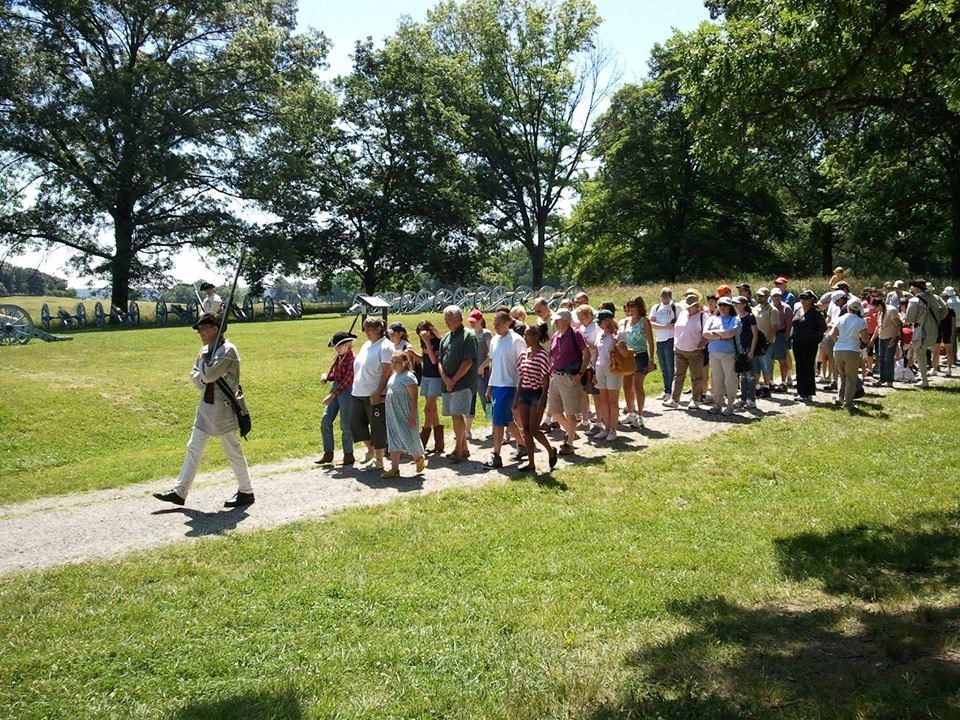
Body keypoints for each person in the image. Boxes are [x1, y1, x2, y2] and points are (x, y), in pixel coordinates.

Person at [154, 313, 254, 507]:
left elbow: (209, 375)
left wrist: (203, 369)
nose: (199, 332)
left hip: (223, 410)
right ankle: (180, 492)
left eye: (203, 328)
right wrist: (203, 369)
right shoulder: (206, 350)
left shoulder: (227, 351)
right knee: (194, 448)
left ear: (215, 329)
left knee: (233, 451)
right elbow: (195, 376)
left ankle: (246, 491)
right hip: (205, 408)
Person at [483, 311, 527, 468]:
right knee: (505, 418)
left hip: (509, 385)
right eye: (494, 325)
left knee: (498, 421)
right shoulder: (494, 340)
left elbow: (523, 366)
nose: (496, 327)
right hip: (496, 385)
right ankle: (523, 446)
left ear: (508, 323)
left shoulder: (517, 340)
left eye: (499, 324)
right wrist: (489, 386)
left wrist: (520, 388)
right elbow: (493, 363)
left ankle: (496, 454)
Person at [514, 324, 558, 472]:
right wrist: (517, 396)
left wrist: (542, 399)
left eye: (527, 335)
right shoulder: (524, 354)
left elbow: (546, 379)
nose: (525, 338)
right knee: (525, 429)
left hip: (537, 393)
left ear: (536, 337)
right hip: (524, 393)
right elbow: (522, 377)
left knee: (534, 429)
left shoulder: (542, 355)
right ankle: (531, 463)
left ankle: (550, 450)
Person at [350, 317, 393, 470]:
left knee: (377, 426)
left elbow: (388, 370)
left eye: (369, 329)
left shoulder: (386, 347)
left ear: (379, 329)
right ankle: (370, 450)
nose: (366, 332)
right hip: (358, 391)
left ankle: (380, 459)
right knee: (355, 423)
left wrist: (379, 391)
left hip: (374, 393)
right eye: (365, 329)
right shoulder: (366, 345)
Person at [546, 308, 589, 455]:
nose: (555, 323)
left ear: (566, 320)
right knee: (554, 411)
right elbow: (552, 355)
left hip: (569, 376)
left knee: (570, 412)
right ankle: (571, 432)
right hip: (556, 377)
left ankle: (569, 442)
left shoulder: (576, 334)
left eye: (558, 320)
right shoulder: (556, 335)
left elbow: (586, 354)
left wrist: (580, 373)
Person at [439, 305, 478, 462]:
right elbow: (440, 360)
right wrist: (445, 379)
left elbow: (468, 361)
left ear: (459, 319)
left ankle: (458, 449)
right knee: (455, 415)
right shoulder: (446, 337)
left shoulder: (468, 336)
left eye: (450, 320)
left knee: (456, 414)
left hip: (463, 384)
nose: (447, 323)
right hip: (448, 384)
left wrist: (453, 380)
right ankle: (464, 448)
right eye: (446, 320)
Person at [383, 352, 426, 479]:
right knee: (393, 438)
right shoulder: (393, 376)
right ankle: (394, 469)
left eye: (396, 362)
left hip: (404, 412)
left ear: (405, 363)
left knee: (407, 436)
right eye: (392, 361)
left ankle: (418, 458)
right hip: (392, 412)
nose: (393, 365)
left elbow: (414, 398)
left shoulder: (409, 377)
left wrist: (412, 416)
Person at [318, 331, 357, 466]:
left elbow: (347, 380)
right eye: (336, 347)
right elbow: (337, 375)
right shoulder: (339, 358)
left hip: (346, 391)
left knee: (345, 424)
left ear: (348, 345)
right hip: (336, 388)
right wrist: (327, 378)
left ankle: (348, 454)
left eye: (340, 346)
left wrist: (332, 394)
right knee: (325, 420)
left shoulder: (352, 359)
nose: (338, 349)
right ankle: (328, 453)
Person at [666, 291, 708, 409]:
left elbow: (707, 332)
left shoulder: (703, 316)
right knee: (678, 375)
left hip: (695, 351)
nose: (688, 309)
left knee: (696, 377)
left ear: (697, 306)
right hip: (679, 350)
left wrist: (702, 343)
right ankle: (674, 400)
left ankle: (695, 400)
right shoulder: (683, 314)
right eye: (688, 307)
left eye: (691, 307)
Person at [619, 295, 656, 428]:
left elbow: (651, 341)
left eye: (632, 305)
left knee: (638, 386)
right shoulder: (626, 321)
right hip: (628, 356)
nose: (630, 308)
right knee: (627, 386)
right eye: (628, 305)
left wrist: (651, 359)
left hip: (640, 355)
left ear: (639, 306)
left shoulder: (644, 321)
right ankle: (630, 413)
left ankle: (640, 415)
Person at [702, 297, 741, 415]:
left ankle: (730, 405)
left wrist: (715, 333)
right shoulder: (712, 318)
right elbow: (705, 333)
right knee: (717, 380)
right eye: (721, 305)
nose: (723, 308)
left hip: (729, 354)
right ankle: (718, 404)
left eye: (726, 305)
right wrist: (721, 335)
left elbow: (730, 333)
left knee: (730, 380)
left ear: (730, 307)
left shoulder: (735, 319)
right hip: (714, 354)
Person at [829, 298, 870, 408]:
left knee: (841, 375)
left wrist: (839, 341)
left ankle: (839, 397)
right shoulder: (861, 321)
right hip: (852, 349)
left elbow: (832, 335)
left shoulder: (840, 319)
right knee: (851, 377)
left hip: (838, 349)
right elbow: (865, 339)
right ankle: (848, 403)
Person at [591, 308, 622, 441]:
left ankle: (613, 429)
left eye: (600, 322)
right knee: (603, 399)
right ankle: (606, 428)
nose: (598, 324)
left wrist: (618, 343)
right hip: (600, 368)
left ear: (607, 321)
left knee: (613, 400)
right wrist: (593, 370)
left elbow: (625, 354)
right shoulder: (600, 334)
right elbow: (597, 353)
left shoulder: (618, 334)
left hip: (613, 369)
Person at [414, 320, 445, 454]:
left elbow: (433, 360)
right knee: (433, 410)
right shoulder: (423, 341)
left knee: (428, 409)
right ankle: (439, 443)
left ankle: (422, 441)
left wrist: (427, 342)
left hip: (435, 378)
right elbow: (424, 359)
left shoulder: (438, 342)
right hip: (426, 377)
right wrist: (413, 355)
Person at [790, 289, 827, 401]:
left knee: (808, 367)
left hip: (809, 345)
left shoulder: (815, 313)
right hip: (797, 343)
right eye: (802, 298)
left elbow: (823, 327)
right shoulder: (797, 310)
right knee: (799, 367)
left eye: (806, 298)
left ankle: (808, 393)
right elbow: (794, 323)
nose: (803, 301)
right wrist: (792, 334)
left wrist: (813, 338)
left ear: (811, 300)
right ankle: (801, 392)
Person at [902, 279, 940, 387]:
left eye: (913, 287)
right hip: (934, 329)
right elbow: (944, 310)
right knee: (924, 352)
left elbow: (909, 318)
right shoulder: (934, 297)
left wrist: (902, 319)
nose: (912, 289)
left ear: (917, 288)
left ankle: (924, 381)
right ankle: (923, 377)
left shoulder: (914, 300)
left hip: (921, 330)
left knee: (920, 353)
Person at [467, 309, 493, 439]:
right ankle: (467, 430)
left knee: (486, 400)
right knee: (469, 400)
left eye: (474, 322)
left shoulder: (486, 334)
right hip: (471, 374)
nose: (472, 324)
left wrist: (482, 366)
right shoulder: (470, 334)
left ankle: (494, 426)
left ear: (480, 321)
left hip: (483, 373)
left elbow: (492, 354)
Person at [649, 287, 677, 402]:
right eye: (664, 296)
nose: (666, 299)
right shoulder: (656, 307)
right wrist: (665, 327)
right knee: (663, 367)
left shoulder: (674, 307)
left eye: (668, 296)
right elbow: (651, 323)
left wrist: (671, 326)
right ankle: (666, 390)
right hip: (659, 339)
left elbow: (679, 319)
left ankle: (670, 391)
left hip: (670, 339)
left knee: (670, 367)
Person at [576, 304, 600, 431]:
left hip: (594, 364)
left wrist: (590, 346)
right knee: (583, 393)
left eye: (582, 318)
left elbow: (599, 345)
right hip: (584, 364)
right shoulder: (580, 328)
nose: (580, 321)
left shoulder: (596, 328)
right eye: (579, 319)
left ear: (589, 315)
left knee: (596, 393)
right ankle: (585, 420)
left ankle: (599, 420)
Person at [733, 295, 759, 409]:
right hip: (739, 350)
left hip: (748, 349)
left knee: (750, 375)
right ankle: (743, 398)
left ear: (744, 304)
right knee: (742, 375)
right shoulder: (735, 317)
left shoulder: (750, 317)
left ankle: (752, 399)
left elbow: (755, 335)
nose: (736, 305)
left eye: (738, 303)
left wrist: (752, 350)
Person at [753, 287, 778, 395]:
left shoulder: (772, 310)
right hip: (755, 342)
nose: (759, 297)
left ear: (767, 297)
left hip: (766, 343)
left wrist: (767, 341)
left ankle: (767, 387)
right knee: (756, 365)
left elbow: (774, 327)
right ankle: (757, 386)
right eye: (758, 295)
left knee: (766, 365)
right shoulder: (754, 309)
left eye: (762, 295)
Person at [871, 298, 901, 388]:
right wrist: (872, 339)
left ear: (879, 305)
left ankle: (889, 380)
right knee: (881, 358)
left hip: (890, 338)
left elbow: (897, 325)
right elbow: (878, 326)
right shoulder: (880, 312)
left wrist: (893, 339)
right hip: (881, 338)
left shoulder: (891, 310)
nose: (875, 309)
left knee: (888, 359)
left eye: (876, 307)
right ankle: (882, 378)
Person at [770, 287, 794, 390]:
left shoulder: (786, 308)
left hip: (781, 335)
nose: (776, 298)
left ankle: (783, 383)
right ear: (771, 297)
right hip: (770, 335)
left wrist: (787, 337)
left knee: (782, 360)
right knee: (770, 360)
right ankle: (770, 382)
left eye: (778, 296)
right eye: (774, 296)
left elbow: (789, 325)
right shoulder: (768, 307)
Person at [934, 291, 956, 378]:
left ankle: (948, 368)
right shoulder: (940, 311)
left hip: (945, 332)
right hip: (941, 332)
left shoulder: (949, 311)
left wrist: (952, 334)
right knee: (936, 351)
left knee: (946, 351)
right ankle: (935, 368)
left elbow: (953, 324)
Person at [945, 286, 960, 363]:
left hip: (953, 323)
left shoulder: (949, 301)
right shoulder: (958, 299)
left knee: (952, 341)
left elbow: (950, 314)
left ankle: (952, 358)